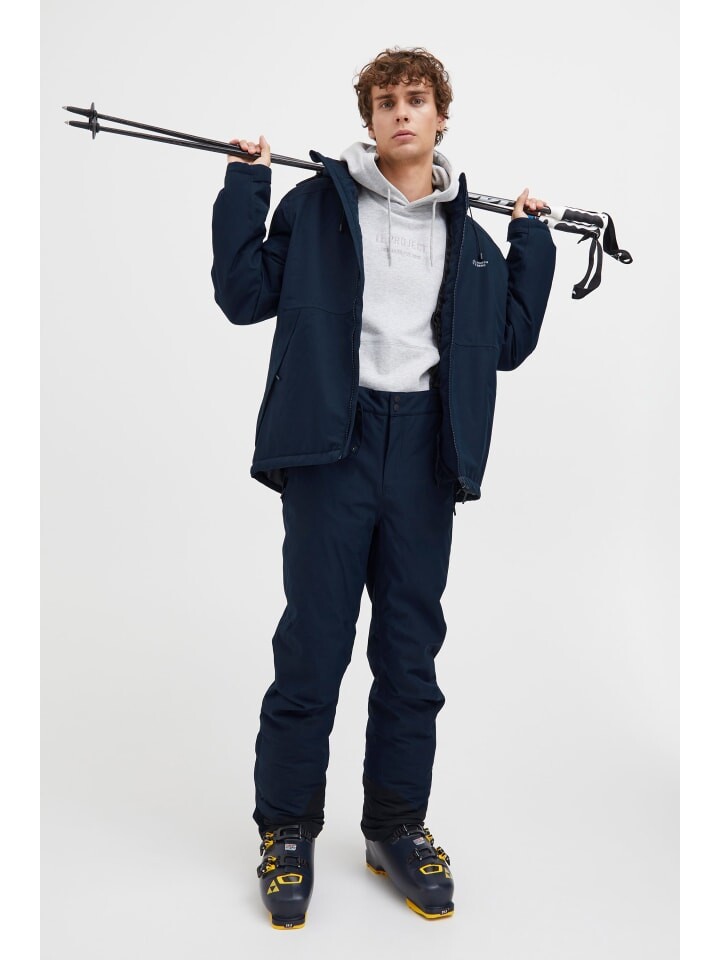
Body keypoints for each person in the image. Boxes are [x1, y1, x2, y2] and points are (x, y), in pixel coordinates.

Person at [211, 46, 556, 930]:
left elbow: (508, 343)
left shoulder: (471, 240)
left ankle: (395, 826)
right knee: (314, 647)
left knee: (409, 655)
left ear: (441, 115)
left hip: (425, 453)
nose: (402, 113)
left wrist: (531, 242)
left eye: (417, 99)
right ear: (368, 120)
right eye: (387, 102)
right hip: (334, 443)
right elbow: (243, 294)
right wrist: (246, 184)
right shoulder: (318, 208)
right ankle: (286, 831)